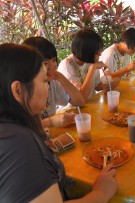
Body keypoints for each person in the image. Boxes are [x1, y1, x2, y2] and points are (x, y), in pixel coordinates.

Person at [0, 43, 117, 202]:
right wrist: (101, 192)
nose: (47, 87)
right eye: (43, 81)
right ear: (18, 90)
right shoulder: (19, 143)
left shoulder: (13, 128)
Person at [23, 36, 85, 128]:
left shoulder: (52, 81)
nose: (52, 66)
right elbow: (19, 130)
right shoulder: (22, 89)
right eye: (45, 63)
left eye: (53, 60)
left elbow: (80, 102)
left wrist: (60, 77)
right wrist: (50, 122)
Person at [58, 28, 118, 100]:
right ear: (86, 51)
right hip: (72, 110)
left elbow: (97, 86)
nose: (100, 54)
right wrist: (92, 68)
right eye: (96, 51)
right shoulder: (67, 66)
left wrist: (108, 84)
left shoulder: (89, 61)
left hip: (89, 106)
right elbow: (81, 98)